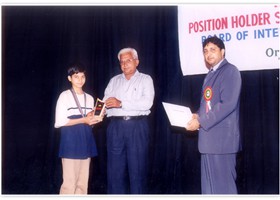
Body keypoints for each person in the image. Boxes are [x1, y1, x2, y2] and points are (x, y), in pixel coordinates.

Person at [186, 36, 242, 194]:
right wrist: (196, 116)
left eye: (212, 50)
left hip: (222, 143)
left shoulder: (230, 71)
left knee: (223, 191)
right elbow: (207, 106)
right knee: (209, 191)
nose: (208, 54)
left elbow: (227, 104)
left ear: (222, 51)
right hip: (208, 142)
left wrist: (201, 121)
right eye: (205, 51)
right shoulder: (210, 74)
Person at [103, 47, 155, 194]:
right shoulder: (113, 81)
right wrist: (99, 112)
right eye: (121, 62)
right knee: (114, 172)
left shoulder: (146, 79)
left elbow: (147, 103)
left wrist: (121, 103)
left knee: (137, 171)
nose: (124, 64)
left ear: (136, 62)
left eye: (128, 60)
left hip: (137, 126)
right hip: (115, 127)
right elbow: (105, 101)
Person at [54, 63, 103, 194]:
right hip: (70, 143)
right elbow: (60, 122)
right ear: (69, 78)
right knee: (69, 184)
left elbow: (89, 124)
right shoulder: (64, 96)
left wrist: (95, 119)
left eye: (82, 76)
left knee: (82, 185)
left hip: (86, 142)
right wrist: (84, 119)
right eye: (76, 76)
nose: (80, 80)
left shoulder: (90, 98)